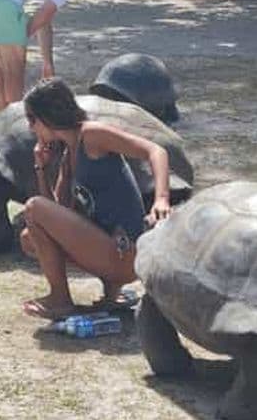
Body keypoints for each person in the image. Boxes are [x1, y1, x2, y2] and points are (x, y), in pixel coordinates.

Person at [19, 78, 172, 319]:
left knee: (33, 207)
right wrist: (41, 168)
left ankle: (60, 300)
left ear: (48, 117)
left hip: (126, 252)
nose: (30, 128)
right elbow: (56, 218)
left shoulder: (92, 135)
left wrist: (161, 198)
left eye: (32, 119)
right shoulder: (69, 154)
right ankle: (110, 293)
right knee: (29, 237)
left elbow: (156, 151)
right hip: (108, 248)